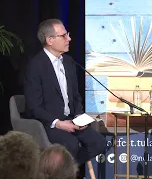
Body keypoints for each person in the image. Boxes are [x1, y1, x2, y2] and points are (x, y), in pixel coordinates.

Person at [23, 19, 107, 176]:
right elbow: (34, 106)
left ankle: (63, 172)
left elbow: (75, 96)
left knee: (99, 142)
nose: (69, 39)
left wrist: (79, 117)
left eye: (67, 34)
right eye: (63, 36)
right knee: (72, 144)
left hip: (71, 120)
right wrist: (59, 124)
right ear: (49, 40)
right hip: (48, 124)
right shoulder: (35, 66)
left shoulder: (68, 62)